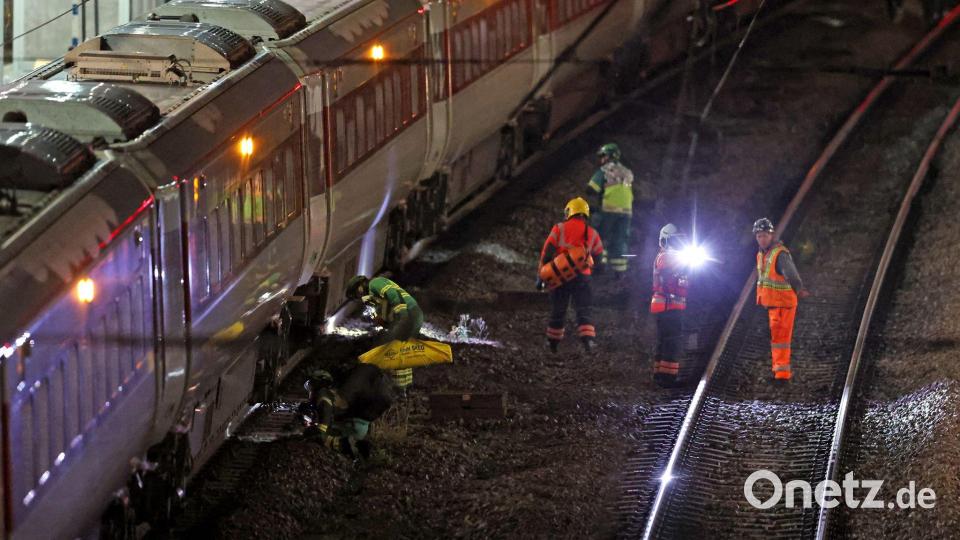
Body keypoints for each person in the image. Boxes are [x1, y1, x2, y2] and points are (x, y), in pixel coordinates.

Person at [538, 197, 604, 353]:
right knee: (584, 309)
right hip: (583, 277)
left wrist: (541, 275)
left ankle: (552, 344)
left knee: (558, 309)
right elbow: (599, 257)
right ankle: (588, 342)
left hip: (560, 277)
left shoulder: (559, 229)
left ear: (569, 211)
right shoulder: (592, 233)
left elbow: (546, 252)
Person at [297, 365, 398, 458]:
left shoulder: (325, 396)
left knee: (334, 440)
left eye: (311, 385)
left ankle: (357, 451)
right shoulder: (369, 383)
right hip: (362, 421)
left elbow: (325, 418)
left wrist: (319, 431)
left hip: (355, 423)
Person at [753, 218, 809, 382]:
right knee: (778, 338)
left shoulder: (779, 254)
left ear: (771, 235)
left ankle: (782, 374)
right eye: (759, 236)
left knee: (781, 339)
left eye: (764, 235)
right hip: (774, 304)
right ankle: (779, 371)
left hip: (783, 303)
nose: (762, 239)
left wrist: (799, 290)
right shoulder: (762, 255)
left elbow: (791, 275)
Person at [346, 275, 423, 388]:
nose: (360, 297)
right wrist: (382, 322)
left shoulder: (376, 283)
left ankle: (399, 389)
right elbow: (386, 318)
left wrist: (402, 317)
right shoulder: (374, 299)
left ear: (361, 286)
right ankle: (401, 388)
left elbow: (394, 296)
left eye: (358, 294)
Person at [587, 143, 634, 279]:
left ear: (610, 156)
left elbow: (591, 189)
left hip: (609, 210)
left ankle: (598, 266)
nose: (602, 159)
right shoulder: (627, 171)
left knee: (600, 236)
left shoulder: (605, 170)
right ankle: (619, 271)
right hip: (626, 212)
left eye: (603, 156)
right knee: (620, 239)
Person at [650, 224, 689, 386]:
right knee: (672, 340)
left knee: (664, 340)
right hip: (669, 305)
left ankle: (659, 374)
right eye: (675, 240)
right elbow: (668, 272)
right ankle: (668, 378)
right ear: (665, 240)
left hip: (665, 305)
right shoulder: (666, 256)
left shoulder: (667, 255)